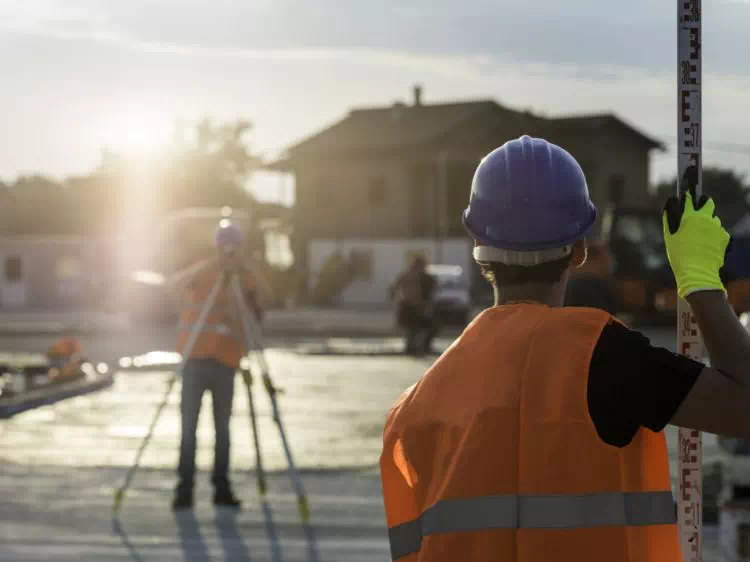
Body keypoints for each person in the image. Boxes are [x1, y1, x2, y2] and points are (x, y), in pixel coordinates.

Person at [379, 135, 750, 561]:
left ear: (478, 247)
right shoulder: (604, 358)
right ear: (579, 250)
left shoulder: (413, 409)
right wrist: (702, 282)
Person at [167, 220, 272, 511]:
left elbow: (268, 297)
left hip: (226, 363)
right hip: (195, 361)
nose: (228, 253)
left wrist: (247, 268)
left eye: (234, 247)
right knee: (189, 429)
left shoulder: (245, 280)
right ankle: (184, 490)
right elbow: (172, 286)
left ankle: (221, 488)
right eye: (224, 247)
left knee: (222, 431)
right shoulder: (202, 271)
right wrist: (211, 265)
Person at [390, 255, 438, 355]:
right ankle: (420, 347)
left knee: (413, 329)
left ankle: (413, 347)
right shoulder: (422, 276)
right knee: (421, 328)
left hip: (407, 305)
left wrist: (395, 299)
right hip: (415, 306)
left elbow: (394, 287)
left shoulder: (406, 274)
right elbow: (429, 291)